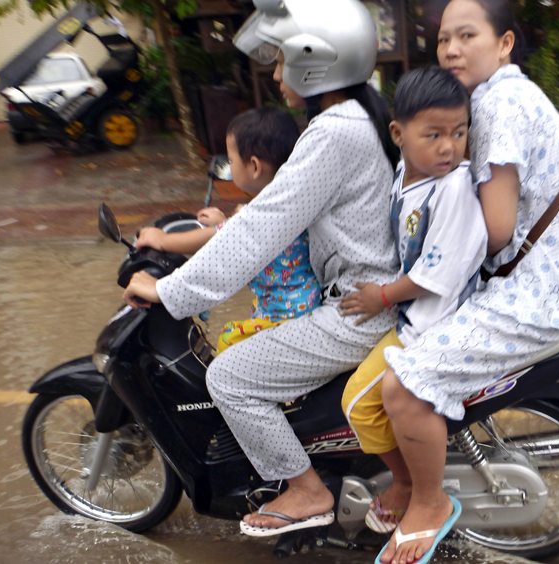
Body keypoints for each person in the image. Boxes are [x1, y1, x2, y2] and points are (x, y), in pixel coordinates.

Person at [122, 0, 402, 537]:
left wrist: (168, 290)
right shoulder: (359, 116)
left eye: (283, 61)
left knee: (228, 377)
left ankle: (306, 490)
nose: (275, 74)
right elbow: (265, 218)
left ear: (317, 61)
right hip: (369, 295)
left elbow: (260, 231)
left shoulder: (332, 133)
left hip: (356, 309)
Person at [375, 1, 559, 563]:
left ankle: (428, 502)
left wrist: (428, 257)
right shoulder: (501, 94)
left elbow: (496, 228)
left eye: (468, 35)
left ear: (504, 42)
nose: (453, 49)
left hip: (535, 296)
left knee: (402, 389)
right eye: (443, 40)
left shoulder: (499, 107)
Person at [337, 66, 487, 534]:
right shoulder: (407, 172)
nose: (449, 146)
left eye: (459, 133)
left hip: (431, 323)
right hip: (414, 314)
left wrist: (380, 297)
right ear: (398, 134)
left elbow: (433, 273)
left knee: (358, 403)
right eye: (435, 134)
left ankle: (409, 486)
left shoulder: (454, 188)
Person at [135, 107, 321, 354]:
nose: (229, 166)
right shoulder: (288, 198)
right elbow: (243, 227)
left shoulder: (260, 213)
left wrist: (164, 240)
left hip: (285, 317)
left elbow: (220, 237)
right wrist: (226, 219)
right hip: (302, 306)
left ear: (254, 166)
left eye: (231, 160)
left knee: (227, 347)